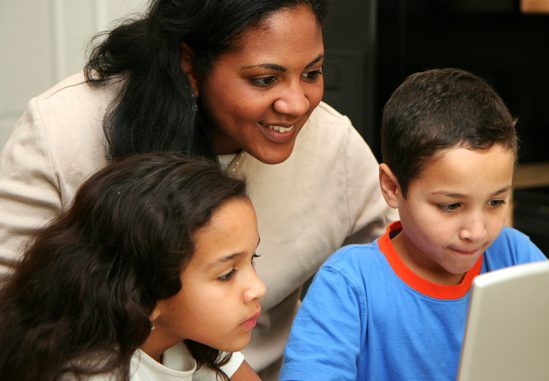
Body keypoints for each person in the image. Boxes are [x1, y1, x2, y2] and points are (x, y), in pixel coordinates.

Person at [0, 0, 394, 378]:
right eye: (264, 79)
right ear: (190, 65)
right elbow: (15, 315)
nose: (296, 104)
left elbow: (403, 271)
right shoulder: (62, 131)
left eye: (312, 73)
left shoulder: (333, 144)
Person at [280, 68, 548, 380]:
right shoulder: (350, 284)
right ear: (392, 188)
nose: (476, 231)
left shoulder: (516, 256)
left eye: (495, 202)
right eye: (450, 205)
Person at [0, 152, 266, 380]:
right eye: (227, 274)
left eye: (252, 259)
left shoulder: (195, 339)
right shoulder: (93, 373)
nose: (258, 288)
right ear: (143, 291)